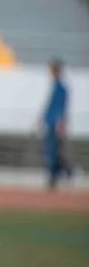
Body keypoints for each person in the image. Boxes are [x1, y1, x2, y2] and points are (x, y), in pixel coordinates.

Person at [42, 58, 73, 189]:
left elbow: (61, 107)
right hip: (50, 123)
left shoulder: (61, 88)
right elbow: (50, 106)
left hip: (56, 124)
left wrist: (61, 123)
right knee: (51, 152)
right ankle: (59, 175)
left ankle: (63, 173)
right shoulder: (55, 86)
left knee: (54, 152)